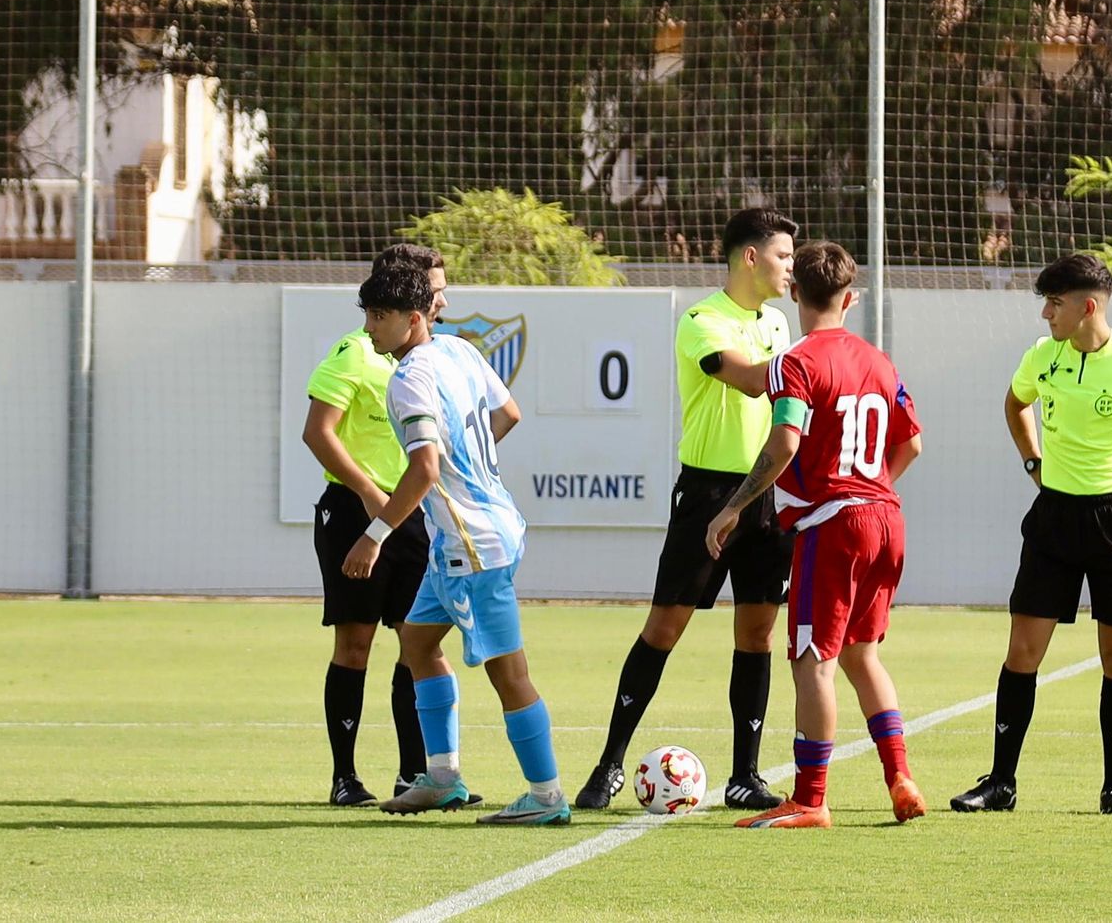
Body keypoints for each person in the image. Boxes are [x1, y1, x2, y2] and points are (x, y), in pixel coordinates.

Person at [949, 253, 1112, 818]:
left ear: (1088, 307)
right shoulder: (1042, 356)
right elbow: (1015, 405)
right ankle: (1001, 784)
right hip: (1053, 519)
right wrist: (1032, 461)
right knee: (1022, 649)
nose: (1046, 314)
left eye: (1054, 303)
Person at [575, 209, 797, 811]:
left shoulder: (779, 322)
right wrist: (817, 361)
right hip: (707, 497)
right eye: (782, 255)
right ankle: (609, 764)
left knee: (757, 635)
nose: (790, 267)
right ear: (750, 257)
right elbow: (751, 380)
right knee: (663, 630)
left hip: (767, 495)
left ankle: (745, 775)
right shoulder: (702, 320)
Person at [705, 241, 926, 829]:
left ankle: (810, 799)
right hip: (885, 518)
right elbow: (911, 443)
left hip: (834, 526)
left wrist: (732, 508)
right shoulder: (880, 362)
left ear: (796, 292)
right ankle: (899, 775)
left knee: (812, 662)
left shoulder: (794, 362)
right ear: (850, 299)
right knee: (862, 655)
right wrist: (868, 487)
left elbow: (785, 443)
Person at [344, 261, 569, 825]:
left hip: (473, 546)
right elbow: (508, 414)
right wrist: (467, 470)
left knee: (508, 673)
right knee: (418, 643)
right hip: (469, 536)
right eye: (368, 315)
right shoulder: (461, 351)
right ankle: (442, 779)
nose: (369, 327)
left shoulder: (408, 379)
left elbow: (424, 469)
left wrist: (374, 535)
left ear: (413, 319)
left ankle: (547, 797)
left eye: (379, 316)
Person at [302, 243, 448, 807]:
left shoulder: (433, 358)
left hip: (410, 515)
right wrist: (367, 492)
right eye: (436, 289)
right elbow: (318, 432)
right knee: (356, 642)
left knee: (416, 641)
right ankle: (345, 778)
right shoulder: (355, 351)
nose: (443, 300)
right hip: (352, 513)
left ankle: (415, 775)